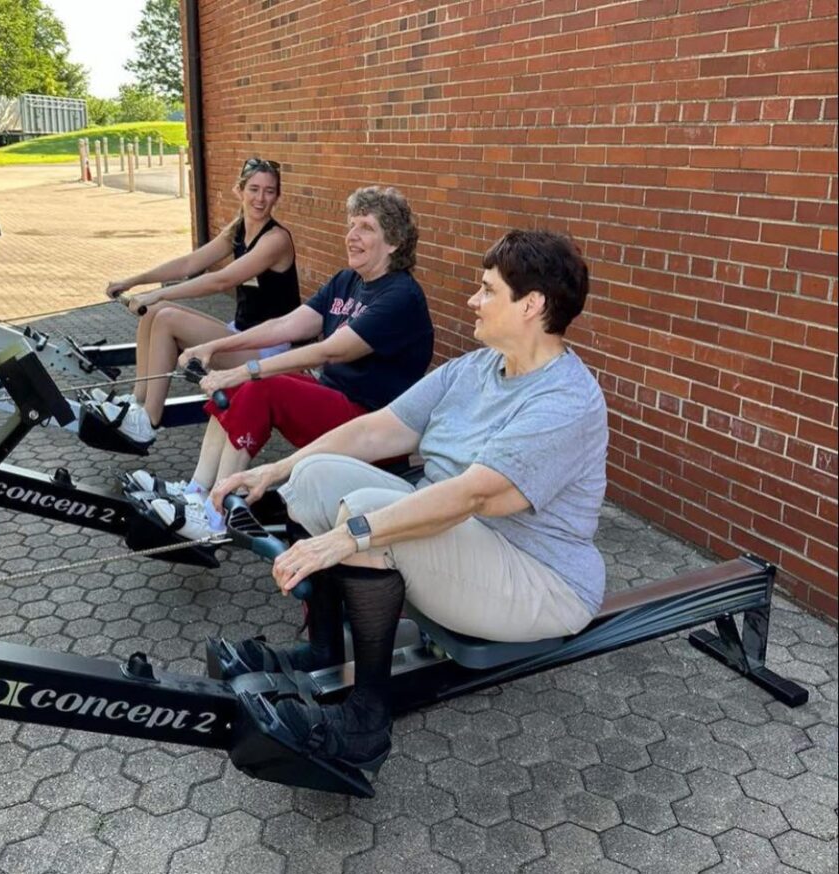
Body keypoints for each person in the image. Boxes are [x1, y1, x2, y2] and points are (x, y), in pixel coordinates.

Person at [209, 229, 608, 774]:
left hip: (541, 580)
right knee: (318, 475)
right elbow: (377, 430)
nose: (474, 299)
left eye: (488, 290)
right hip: (468, 546)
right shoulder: (476, 368)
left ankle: (366, 726)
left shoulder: (564, 399)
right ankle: (324, 652)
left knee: (367, 513)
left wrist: (350, 536)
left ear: (532, 305)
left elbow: (475, 494)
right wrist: (275, 471)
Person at [140, 186, 435, 541]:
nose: (352, 236)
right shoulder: (348, 281)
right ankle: (196, 491)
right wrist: (214, 346)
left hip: (374, 424)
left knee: (266, 387)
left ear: (394, 243)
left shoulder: (401, 296)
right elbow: (285, 325)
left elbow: (331, 351)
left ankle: (214, 517)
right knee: (239, 386)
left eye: (367, 228)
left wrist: (248, 368)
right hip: (336, 398)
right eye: (351, 225)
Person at [98, 157, 300, 444]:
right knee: (155, 312)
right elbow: (190, 263)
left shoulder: (275, 240)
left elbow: (222, 280)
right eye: (254, 189)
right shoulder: (239, 230)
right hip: (240, 336)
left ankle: (147, 422)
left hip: (269, 350)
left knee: (166, 316)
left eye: (269, 191)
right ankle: (137, 402)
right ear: (239, 191)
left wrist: (161, 291)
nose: (261, 198)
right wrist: (134, 281)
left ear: (277, 196)